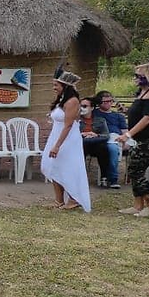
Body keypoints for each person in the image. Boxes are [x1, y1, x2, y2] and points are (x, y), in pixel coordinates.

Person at [40, 72, 90, 212]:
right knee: (51, 166)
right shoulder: (62, 100)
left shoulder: (72, 101)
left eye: (56, 85)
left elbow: (68, 125)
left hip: (67, 139)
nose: (54, 88)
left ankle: (74, 198)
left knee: (67, 167)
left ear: (65, 86)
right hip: (56, 135)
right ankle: (59, 200)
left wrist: (57, 146)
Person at [117, 63, 149, 217]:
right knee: (134, 169)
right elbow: (139, 113)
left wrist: (128, 134)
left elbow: (148, 117)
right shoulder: (142, 93)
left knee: (136, 169)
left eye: (138, 75)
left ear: (147, 76)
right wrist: (126, 111)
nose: (135, 78)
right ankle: (138, 205)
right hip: (141, 139)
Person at [93, 90, 127, 189]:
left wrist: (125, 141)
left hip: (116, 138)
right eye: (105, 101)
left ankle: (112, 179)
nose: (109, 103)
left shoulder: (118, 116)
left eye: (110, 101)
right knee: (111, 149)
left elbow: (125, 132)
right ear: (99, 102)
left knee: (113, 148)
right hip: (100, 138)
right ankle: (112, 179)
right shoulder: (94, 113)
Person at [79, 97, 113, 189]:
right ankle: (80, 178)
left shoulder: (100, 120)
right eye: (80, 106)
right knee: (82, 147)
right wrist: (81, 134)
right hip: (81, 144)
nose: (81, 108)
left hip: (96, 145)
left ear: (92, 108)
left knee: (103, 148)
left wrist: (95, 135)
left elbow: (106, 136)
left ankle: (104, 178)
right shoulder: (76, 120)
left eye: (85, 106)